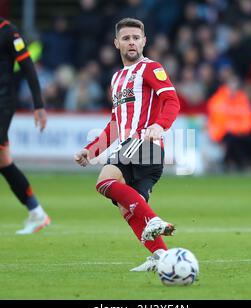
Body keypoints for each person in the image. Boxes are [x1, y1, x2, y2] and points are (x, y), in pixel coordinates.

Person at [75, 18, 180, 271]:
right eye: (126, 38)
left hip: (144, 144)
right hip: (133, 149)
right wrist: (92, 150)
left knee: (104, 181)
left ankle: (154, 220)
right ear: (116, 43)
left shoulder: (150, 68)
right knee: (128, 209)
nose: (131, 42)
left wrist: (160, 125)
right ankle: (163, 259)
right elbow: (115, 123)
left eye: (136, 37)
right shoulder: (117, 78)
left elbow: (172, 100)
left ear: (144, 41)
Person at [0, 0, 50, 235]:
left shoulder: (7, 31)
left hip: (2, 103)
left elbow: (28, 69)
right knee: (2, 161)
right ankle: (37, 213)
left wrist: (39, 105)